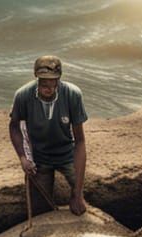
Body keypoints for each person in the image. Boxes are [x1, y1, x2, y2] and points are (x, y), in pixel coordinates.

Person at [10, 56, 88, 216]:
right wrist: (23, 158)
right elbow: (14, 127)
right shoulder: (23, 95)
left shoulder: (72, 94)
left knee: (79, 205)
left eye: (53, 82)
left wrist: (78, 193)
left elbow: (80, 141)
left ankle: (76, 194)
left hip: (67, 153)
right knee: (40, 208)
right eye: (44, 82)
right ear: (36, 77)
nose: (49, 87)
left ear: (59, 78)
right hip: (40, 156)